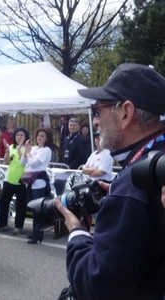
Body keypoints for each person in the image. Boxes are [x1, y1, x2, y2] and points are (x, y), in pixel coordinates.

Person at [55, 63, 165, 299]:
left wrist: (77, 233)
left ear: (126, 113)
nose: (95, 121)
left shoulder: (133, 185)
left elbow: (98, 286)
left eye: (98, 110)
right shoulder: (155, 166)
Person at [0, 127, 29, 235]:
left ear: (26, 137)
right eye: (17, 135)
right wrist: (7, 152)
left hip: (21, 180)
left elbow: (24, 163)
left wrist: (20, 150)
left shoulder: (28, 148)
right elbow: (7, 162)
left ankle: (19, 226)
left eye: (22, 135)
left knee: (20, 205)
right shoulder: (11, 146)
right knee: (4, 202)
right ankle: (3, 224)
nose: (19, 137)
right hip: (9, 179)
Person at [21, 127, 53, 244]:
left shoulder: (46, 150)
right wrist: (26, 151)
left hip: (39, 180)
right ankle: (35, 232)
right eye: (38, 135)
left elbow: (34, 163)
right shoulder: (34, 148)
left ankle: (38, 234)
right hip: (29, 179)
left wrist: (29, 154)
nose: (39, 138)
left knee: (38, 208)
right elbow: (23, 162)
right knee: (33, 207)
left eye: (42, 136)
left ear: (47, 138)